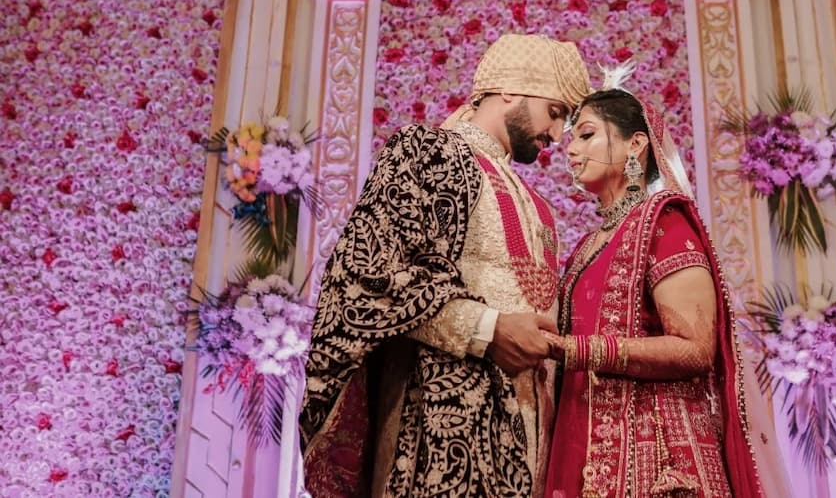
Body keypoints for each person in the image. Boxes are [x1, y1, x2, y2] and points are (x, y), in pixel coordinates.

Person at [299, 34, 591, 497]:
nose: (557, 136)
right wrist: (487, 329)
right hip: (439, 432)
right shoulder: (429, 150)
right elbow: (365, 273)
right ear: (509, 89)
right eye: (554, 112)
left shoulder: (537, 204)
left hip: (530, 446)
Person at [543, 85, 764, 498]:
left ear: (636, 145)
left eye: (587, 134)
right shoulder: (587, 246)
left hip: (659, 458)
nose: (571, 149)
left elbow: (695, 349)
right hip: (582, 447)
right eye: (571, 138)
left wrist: (576, 350)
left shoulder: (665, 223)